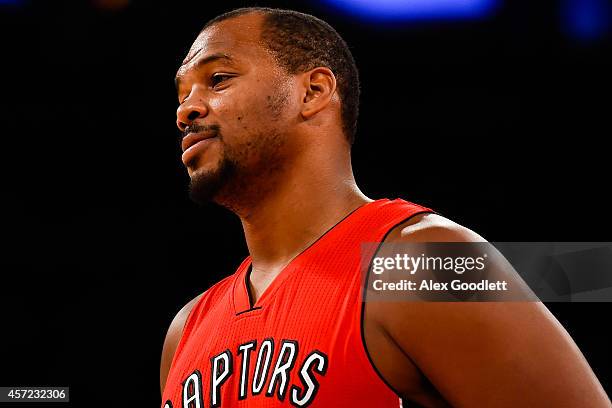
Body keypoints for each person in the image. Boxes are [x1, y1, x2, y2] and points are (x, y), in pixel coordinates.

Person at [160, 7, 610, 408]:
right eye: (181, 95)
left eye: (217, 80)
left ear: (314, 90)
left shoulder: (422, 263)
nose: (186, 111)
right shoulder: (186, 329)